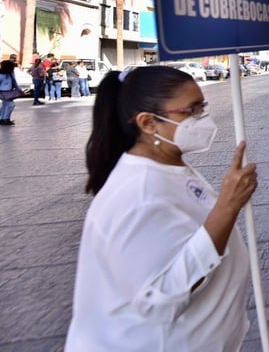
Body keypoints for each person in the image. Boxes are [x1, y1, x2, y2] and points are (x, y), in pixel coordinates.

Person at [64, 66, 258, 352]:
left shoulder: (168, 164)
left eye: (202, 106)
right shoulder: (136, 193)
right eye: (191, 110)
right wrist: (227, 207)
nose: (202, 118)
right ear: (148, 123)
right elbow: (159, 297)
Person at [0, 59, 19, 125]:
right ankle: (6, 118)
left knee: (5, 105)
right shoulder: (1, 75)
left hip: (8, 91)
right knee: (11, 105)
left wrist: (19, 89)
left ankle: (2, 118)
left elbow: (14, 81)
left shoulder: (10, 73)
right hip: (3, 92)